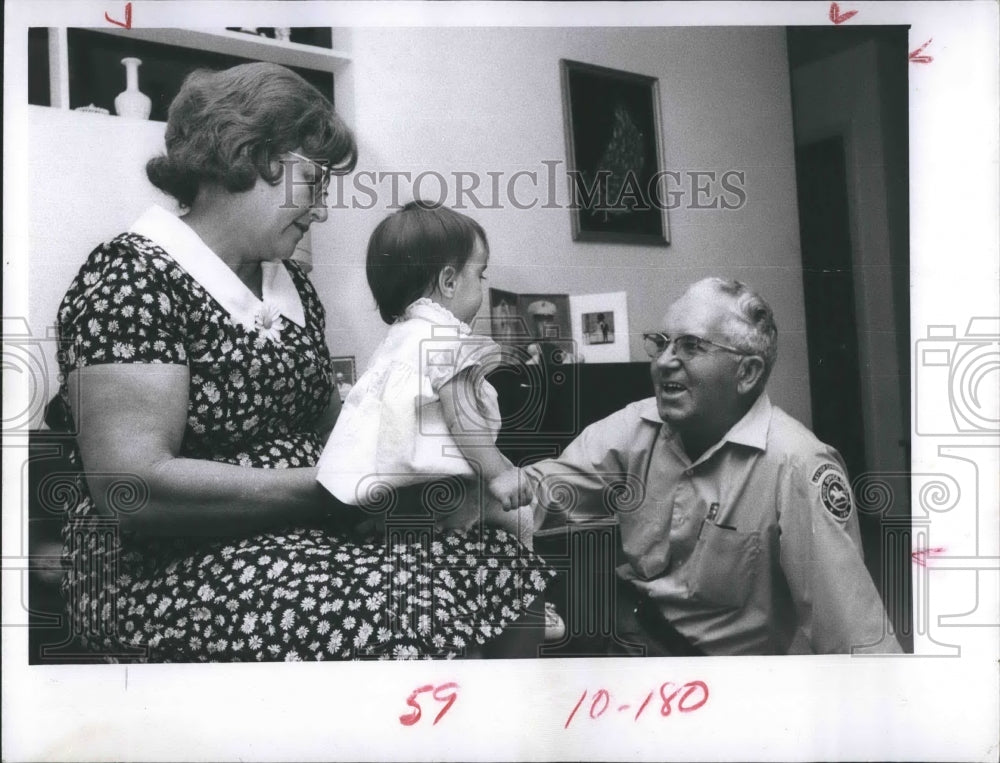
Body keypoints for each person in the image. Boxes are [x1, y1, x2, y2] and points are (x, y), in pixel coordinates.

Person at [55, 63, 550, 661]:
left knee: (497, 562)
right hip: (164, 561)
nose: (321, 211)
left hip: (306, 525)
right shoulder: (131, 277)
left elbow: (333, 425)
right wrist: (338, 495)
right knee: (396, 612)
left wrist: (420, 480)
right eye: (314, 184)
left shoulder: (289, 286)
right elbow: (134, 488)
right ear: (246, 155)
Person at [525, 277, 902, 655]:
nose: (664, 362)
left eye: (691, 346)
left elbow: (856, 639)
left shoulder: (797, 465)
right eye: (661, 343)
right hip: (623, 635)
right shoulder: (638, 425)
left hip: (709, 681)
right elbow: (533, 497)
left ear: (747, 373)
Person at [317, 201, 540, 550]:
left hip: (403, 493)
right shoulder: (446, 339)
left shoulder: (396, 340)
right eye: (479, 275)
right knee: (524, 519)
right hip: (450, 487)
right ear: (449, 281)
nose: (481, 287)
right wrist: (499, 474)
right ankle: (532, 602)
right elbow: (463, 417)